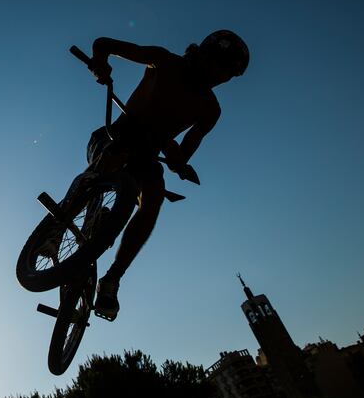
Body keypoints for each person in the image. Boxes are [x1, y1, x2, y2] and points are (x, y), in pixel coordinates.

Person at [86, 30, 249, 320]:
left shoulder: (210, 109)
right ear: (202, 53)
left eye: (227, 75)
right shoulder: (163, 61)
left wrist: (178, 160)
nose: (219, 77)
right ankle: (65, 221)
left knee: (154, 197)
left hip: (145, 157)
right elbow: (105, 44)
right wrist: (100, 62)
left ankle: (112, 279)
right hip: (115, 135)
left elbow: (185, 152)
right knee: (116, 153)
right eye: (219, 66)